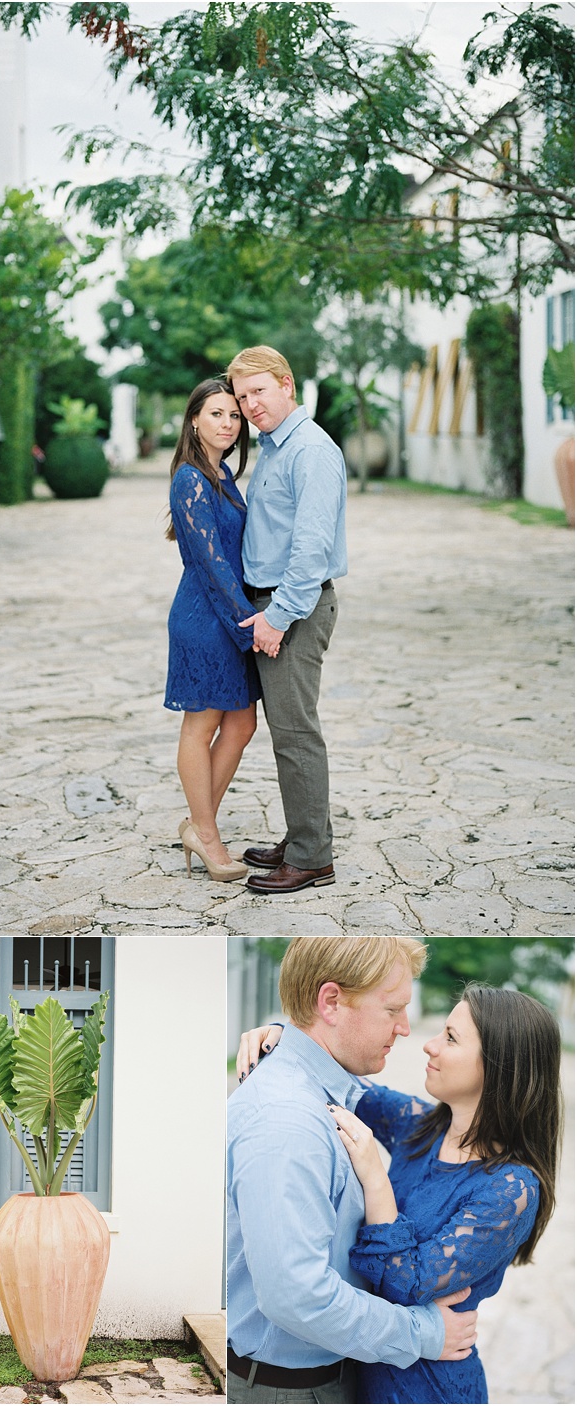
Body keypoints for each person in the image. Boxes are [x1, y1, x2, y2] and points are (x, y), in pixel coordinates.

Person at [238, 952, 563, 1405]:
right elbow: (334, 1072)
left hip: (428, 1388)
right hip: (363, 1375)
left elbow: (405, 1284)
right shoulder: (420, 1126)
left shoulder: (509, 1190)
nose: (427, 1044)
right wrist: (280, 1034)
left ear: (499, 1067)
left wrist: (376, 1180)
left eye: (450, 1038)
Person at [227, 345, 347, 894]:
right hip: (272, 603)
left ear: (287, 386)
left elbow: (310, 548)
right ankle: (303, 836)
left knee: (297, 734)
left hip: (292, 606)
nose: (250, 405)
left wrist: (276, 616)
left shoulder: (310, 451)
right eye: (242, 395)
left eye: (259, 391)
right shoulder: (276, 446)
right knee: (286, 732)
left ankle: (312, 858)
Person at [164, 378, 278, 883]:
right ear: (194, 420)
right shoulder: (190, 479)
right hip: (207, 619)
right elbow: (212, 566)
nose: (229, 423)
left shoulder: (223, 475)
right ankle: (206, 834)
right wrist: (249, 624)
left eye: (234, 415)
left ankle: (197, 823)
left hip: (229, 614)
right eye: (217, 414)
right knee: (202, 723)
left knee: (241, 724)